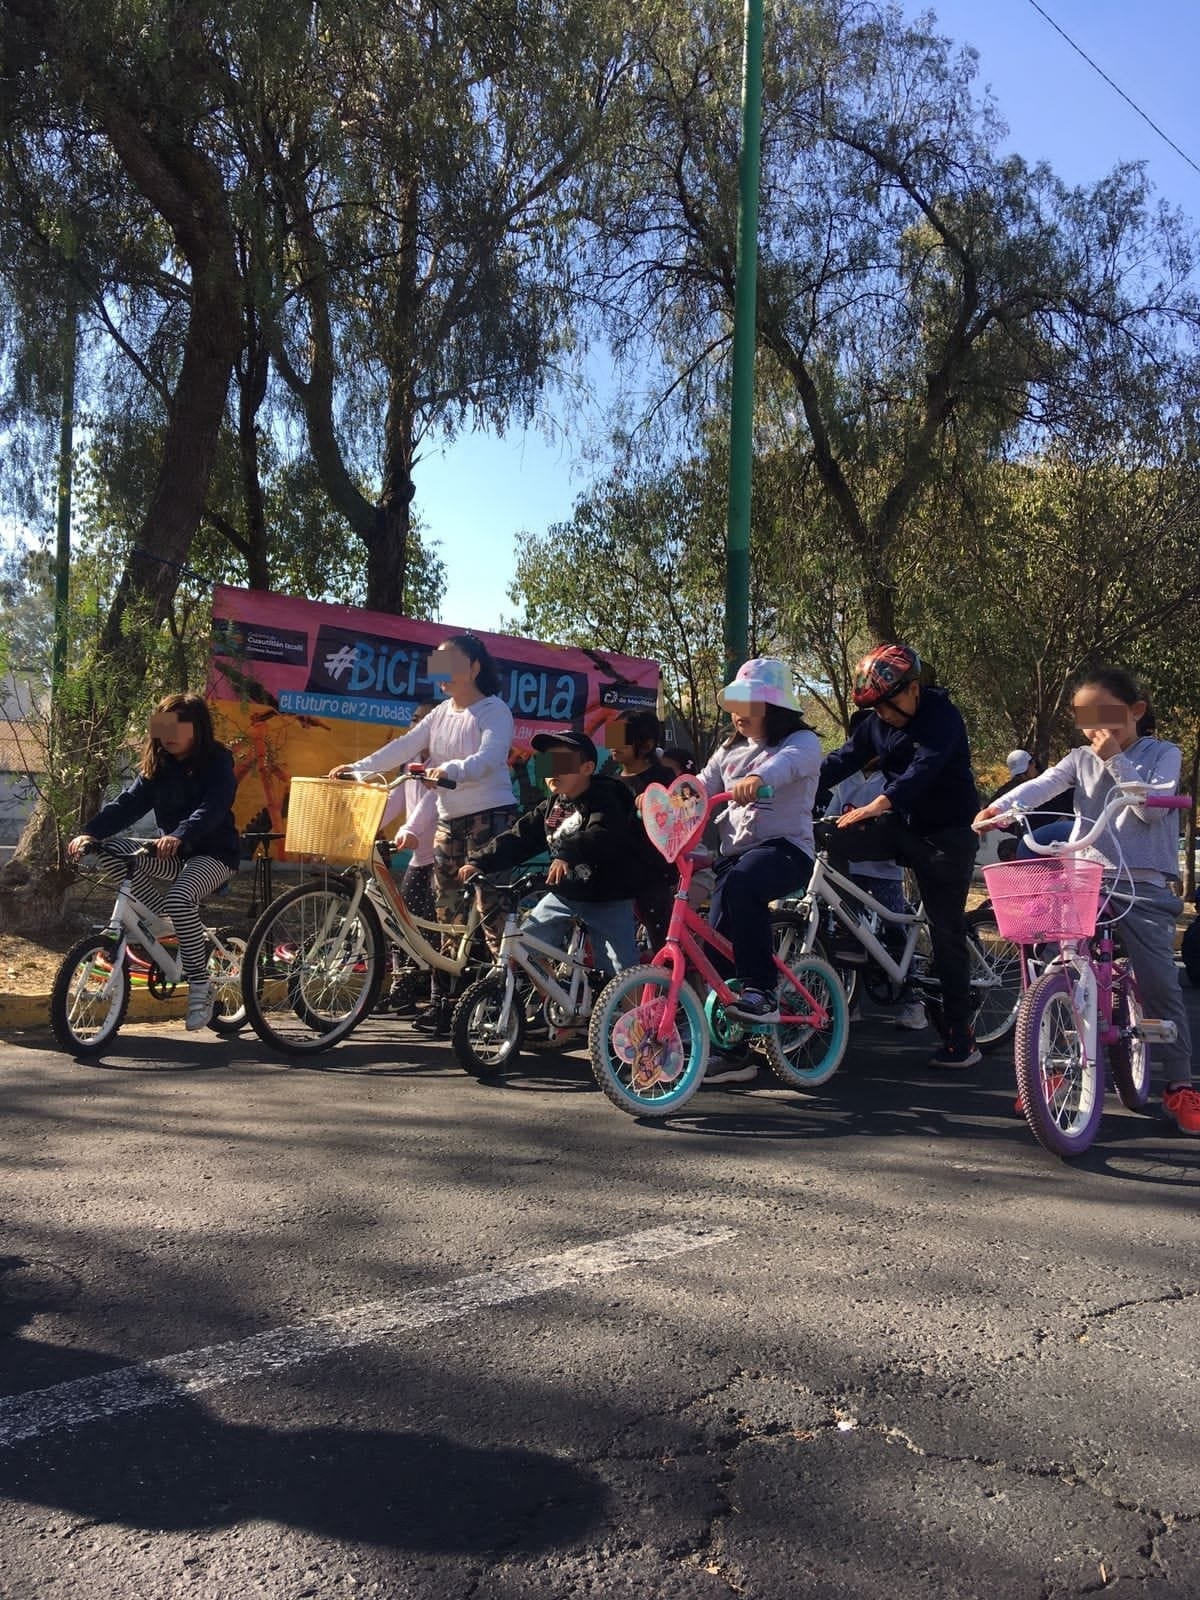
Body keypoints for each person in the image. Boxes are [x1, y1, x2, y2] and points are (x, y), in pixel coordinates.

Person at [974, 666, 1198, 1135]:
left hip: (1142, 884)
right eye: (1085, 716)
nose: (1094, 726)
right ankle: (1050, 1068)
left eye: (1105, 714)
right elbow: (1042, 786)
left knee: (1159, 979)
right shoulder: (1079, 758)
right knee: (1052, 963)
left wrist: (1115, 756)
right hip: (1083, 877)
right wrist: (1001, 809)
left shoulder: (1163, 754)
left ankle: (1181, 1084)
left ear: (1135, 711)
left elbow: (1144, 807)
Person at [331, 634, 516, 1036]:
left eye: (450, 663)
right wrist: (358, 768)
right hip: (450, 823)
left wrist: (452, 771)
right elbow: (404, 746)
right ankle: (448, 1005)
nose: (441, 673)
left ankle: (503, 1003)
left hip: (491, 818)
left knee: (490, 913)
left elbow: (491, 756)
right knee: (446, 916)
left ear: (474, 668)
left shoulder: (493, 710)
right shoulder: (440, 713)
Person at [818, 644, 982, 1068]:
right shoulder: (876, 725)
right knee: (835, 840)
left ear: (912, 690)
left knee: (946, 935)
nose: (883, 716)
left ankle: (962, 1040)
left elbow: (922, 770)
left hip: (948, 836)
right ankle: (851, 935)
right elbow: (843, 759)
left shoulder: (942, 716)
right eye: (875, 709)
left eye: (887, 706)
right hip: (905, 827)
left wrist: (878, 804)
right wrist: (798, 785)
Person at [66, 693, 240, 1031]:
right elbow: (128, 804)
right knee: (112, 851)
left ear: (197, 728)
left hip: (214, 854)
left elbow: (214, 807)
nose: (169, 735)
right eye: (164, 727)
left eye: (178, 727)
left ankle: (201, 987)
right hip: (172, 856)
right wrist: (90, 834)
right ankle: (165, 920)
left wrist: (180, 834)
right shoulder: (158, 764)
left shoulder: (218, 761)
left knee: (180, 898)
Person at [694, 658, 822, 1083]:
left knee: (745, 884)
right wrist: (665, 802)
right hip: (735, 856)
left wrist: (757, 778)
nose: (737, 712)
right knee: (714, 948)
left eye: (747, 702)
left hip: (786, 850)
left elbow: (786, 767)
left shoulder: (802, 741)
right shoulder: (728, 750)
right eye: (734, 703)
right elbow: (700, 787)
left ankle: (762, 989)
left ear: (773, 705)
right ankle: (733, 1053)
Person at [460, 729, 648, 984]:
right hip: (566, 894)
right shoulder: (552, 806)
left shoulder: (607, 798)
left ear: (587, 768)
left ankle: (634, 1023)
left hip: (608, 897)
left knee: (621, 975)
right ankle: (561, 1010)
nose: (552, 771)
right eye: (547, 763)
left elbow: (602, 833)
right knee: (524, 947)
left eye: (563, 763)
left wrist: (567, 854)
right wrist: (479, 861)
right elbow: (519, 837)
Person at [828, 759, 924, 1030]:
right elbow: (833, 815)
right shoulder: (847, 779)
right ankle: (850, 1001)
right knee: (849, 933)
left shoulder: (892, 776)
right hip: (851, 866)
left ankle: (913, 1002)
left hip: (884, 868)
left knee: (896, 930)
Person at [608, 710, 677, 950]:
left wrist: (655, 799)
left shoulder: (663, 778)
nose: (614, 744)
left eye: (623, 737)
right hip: (618, 873)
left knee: (663, 940)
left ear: (646, 745)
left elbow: (677, 812)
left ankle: (678, 983)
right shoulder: (610, 782)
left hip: (652, 873)